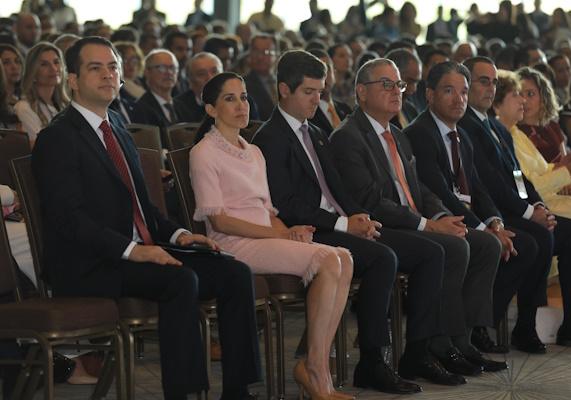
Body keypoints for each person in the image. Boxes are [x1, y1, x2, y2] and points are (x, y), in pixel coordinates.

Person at [31, 36, 261, 400]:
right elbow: (69, 220)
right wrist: (133, 251)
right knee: (180, 280)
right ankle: (183, 394)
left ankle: (238, 392)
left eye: (113, 67)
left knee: (234, 272)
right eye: (95, 68)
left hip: (136, 253)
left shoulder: (118, 127)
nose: (108, 75)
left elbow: (143, 208)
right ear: (72, 80)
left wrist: (180, 235)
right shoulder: (58, 137)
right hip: (90, 263)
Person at [253, 50, 433, 394]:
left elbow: (338, 189)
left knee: (412, 250)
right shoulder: (270, 137)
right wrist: (342, 225)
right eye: (308, 92)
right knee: (383, 258)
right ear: (284, 90)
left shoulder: (317, 131)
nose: (316, 100)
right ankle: (372, 360)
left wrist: (359, 218)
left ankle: (414, 350)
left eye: (320, 92)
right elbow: (286, 205)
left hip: (336, 223)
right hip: (306, 231)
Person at [327, 57, 506, 383]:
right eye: (386, 84)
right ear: (361, 92)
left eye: (398, 84)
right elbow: (371, 201)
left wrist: (441, 215)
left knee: (482, 244)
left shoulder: (396, 134)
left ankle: (460, 340)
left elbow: (419, 188)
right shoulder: (348, 137)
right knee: (445, 248)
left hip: (411, 221)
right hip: (379, 227)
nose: (396, 91)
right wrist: (428, 225)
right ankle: (423, 349)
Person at [191, 70, 355, 399]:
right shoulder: (204, 152)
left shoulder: (253, 152)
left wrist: (287, 232)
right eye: (229, 99)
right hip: (232, 245)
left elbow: (267, 211)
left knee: (345, 258)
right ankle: (315, 371)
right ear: (210, 109)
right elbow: (220, 222)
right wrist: (273, 235)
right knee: (328, 258)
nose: (241, 105)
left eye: (244, 97)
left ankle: (316, 365)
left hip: (263, 238)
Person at [404, 61, 546, 355]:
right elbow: (445, 192)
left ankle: (493, 330)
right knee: (513, 243)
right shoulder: (427, 132)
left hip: (485, 212)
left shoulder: (491, 129)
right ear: (429, 94)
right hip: (445, 216)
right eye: (449, 91)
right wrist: (497, 223)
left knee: (541, 239)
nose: (459, 99)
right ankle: (469, 334)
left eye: (463, 92)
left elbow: (506, 178)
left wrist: (527, 207)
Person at [460, 57, 571, 352]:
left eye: (494, 83)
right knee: (538, 237)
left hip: (515, 208)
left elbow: (517, 176)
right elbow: (489, 183)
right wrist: (528, 212)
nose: (491, 88)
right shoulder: (467, 125)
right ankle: (505, 324)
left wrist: (537, 205)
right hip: (493, 213)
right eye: (484, 81)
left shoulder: (497, 128)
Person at [496, 70, 571, 279]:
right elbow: (522, 186)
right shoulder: (501, 137)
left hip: (544, 198)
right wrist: (569, 172)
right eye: (517, 95)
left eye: (528, 94)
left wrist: (567, 173)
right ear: (497, 105)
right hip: (530, 206)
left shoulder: (515, 133)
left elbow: (541, 171)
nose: (523, 100)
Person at [14, 41, 69, 145]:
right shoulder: (25, 107)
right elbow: (41, 146)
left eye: (56, 62)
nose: (54, 68)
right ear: (33, 72)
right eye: (44, 64)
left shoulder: (65, 105)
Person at [131, 49, 180, 128]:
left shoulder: (184, 106)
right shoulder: (140, 109)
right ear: (147, 72)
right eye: (162, 68)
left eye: (172, 67)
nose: (169, 72)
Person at [306, 49, 351, 136]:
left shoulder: (346, 109)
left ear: (334, 73)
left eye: (327, 69)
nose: (323, 76)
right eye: (317, 71)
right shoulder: (307, 115)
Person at [174, 52, 222, 123]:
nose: (210, 78)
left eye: (214, 72)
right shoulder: (178, 108)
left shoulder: (236, 100)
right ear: (190, 80)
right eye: (202, 74)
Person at [243, 34, 278, 121]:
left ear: (276, 55)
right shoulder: (243, 85)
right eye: (256, 51)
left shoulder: (284, 81)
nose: (260, 57)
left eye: (266, 52)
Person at [385, 49, 421, 127]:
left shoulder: (411, 110)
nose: (414, 89)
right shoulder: (377, 112)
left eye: (416, 82)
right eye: (409, 81)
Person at [329, 43, 354, 109]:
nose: (348, 60)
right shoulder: (326, 86)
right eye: (342, 56)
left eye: (350, 56)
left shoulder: (354, 84)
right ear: (330, 59)